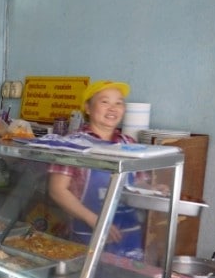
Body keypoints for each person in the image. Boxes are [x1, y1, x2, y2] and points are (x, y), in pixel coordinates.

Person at [48, 80, 144, 260]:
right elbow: (57, 190)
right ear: (88, 108)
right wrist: (95, 221)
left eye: (119, 102)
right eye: (105, 101)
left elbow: (139, 183)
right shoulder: (72, 144)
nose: (113, 108)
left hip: (129, 238)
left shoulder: (129, 143)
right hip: (86, 236)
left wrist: (156, 188)